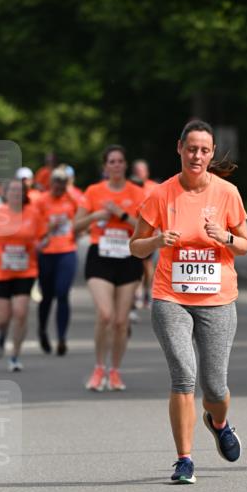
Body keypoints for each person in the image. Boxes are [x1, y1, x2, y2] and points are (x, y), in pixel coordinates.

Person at [130, 120, 247, 483]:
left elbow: (245, 244)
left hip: (217, 299)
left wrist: (226, 236)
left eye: (204, 150)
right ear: (179, 148)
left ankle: (220, 422)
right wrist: (156, 242)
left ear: (211, 154)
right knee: (184, 374)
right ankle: (184, 460)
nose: (197, 155)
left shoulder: (227, 193)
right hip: (171, 297)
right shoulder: (160, 194)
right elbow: (136, 246)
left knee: (214, 387)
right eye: (191, 148)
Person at [74, 145, 144, 390]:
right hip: (100, 257)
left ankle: (114, 371)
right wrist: (95, 217)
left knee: (121, 322)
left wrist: (122, 216)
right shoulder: (93, 191)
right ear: (105, 167)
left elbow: (146, 229)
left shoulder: (137, 193)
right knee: (106, 314)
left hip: (128, 258)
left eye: (119, 161)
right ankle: (98, 368)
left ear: (125, 165)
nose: (116, 165)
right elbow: (74, 227)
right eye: (111, 162)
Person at [0, 179, 42, 372]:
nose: (15, 193)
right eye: (12, 190)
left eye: (19, 190)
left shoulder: (33, 214)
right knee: (3, 317)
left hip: (25, 269)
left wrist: (40, 246)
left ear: (24, 193)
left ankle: (15, 355)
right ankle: (0, 334)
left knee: (21, 313)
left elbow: (41, 237)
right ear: (5, 193)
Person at [34, 167, 80, 355]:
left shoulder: (71, 199)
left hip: (67, 251)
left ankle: (62, 338)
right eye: (57, 183)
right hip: (46, 252)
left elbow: (83, 216)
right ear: (50, 183)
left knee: (62, 293)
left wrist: (78, 231)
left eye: (63, 184)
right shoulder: (41, 201)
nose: (60, 187)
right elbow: (33, 225)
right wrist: (48, 227)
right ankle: (43, 331)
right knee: (47, 296)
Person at [131, 159, 160, 309]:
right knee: (134, 264)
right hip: (130, 231)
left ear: (147, 172)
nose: (138, 173)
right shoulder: (129, 186)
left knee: (147, 264)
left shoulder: (154, 188)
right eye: (136, 170)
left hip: (149, 233)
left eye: (141, 170)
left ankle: (147, 291)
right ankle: (136, 293)